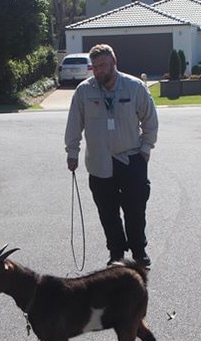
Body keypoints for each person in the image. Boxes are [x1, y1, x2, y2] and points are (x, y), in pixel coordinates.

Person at [64, 44, 159, 267]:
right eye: (95, 67)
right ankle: (116, 252)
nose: (99, 71)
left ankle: (138, 250)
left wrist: (146, 149)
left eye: (103, 65)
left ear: (113, 63)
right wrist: (72, 152)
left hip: (131, 160)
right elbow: (74, 125)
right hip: (99, 163)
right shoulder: (84, 91)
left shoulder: (134, 87)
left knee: (135, 209)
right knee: (108, 213)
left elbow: (150, 121)